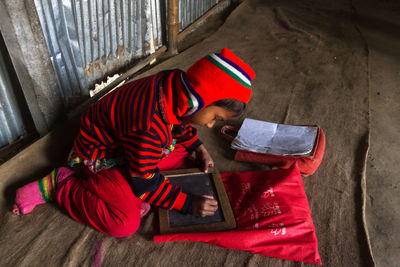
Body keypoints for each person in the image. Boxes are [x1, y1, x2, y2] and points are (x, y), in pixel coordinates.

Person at [13, 48, 256, 238]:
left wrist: (197, 146)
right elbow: (146, 182)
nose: (211, 125)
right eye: (215, 117)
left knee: (184, 157)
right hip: (98, 157)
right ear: (197, 100)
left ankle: (136, 180)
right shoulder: (148, 127)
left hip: (129, 142)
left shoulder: (174, 83)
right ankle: (61, 184)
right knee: (124, 223)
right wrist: (188, 203)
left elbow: (179, 120)